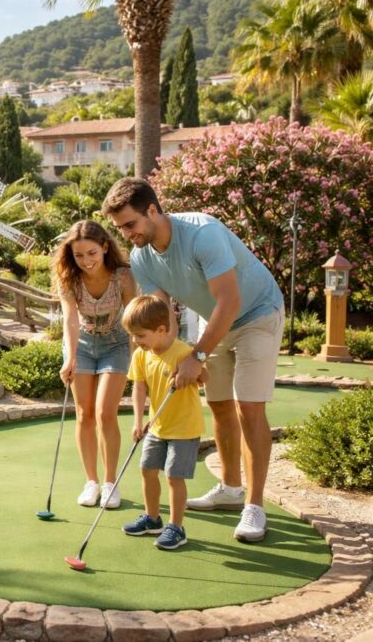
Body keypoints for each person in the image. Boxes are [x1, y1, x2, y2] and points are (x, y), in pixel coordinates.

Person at [103, 177, 285, 543]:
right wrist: (164, 356)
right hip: (213, 319)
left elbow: (230, 301)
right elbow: (160, 318)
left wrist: (197, 355)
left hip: (257, 314)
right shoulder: (141, 257)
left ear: (152, 210)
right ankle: (231, 488)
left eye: (130, 224)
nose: (126, 234)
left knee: (248, 408)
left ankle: (254, 506)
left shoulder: (203, 233)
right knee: (219, 405)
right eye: (120, 228)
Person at [52, 220, 137, 509]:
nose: (86, 261)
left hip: (116, 343)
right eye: (79, 255)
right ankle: (91, 482)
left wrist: (137, 357)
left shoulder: (123, 276)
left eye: (92, 253)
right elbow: (70, 320)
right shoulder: (69, 279)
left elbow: (132, 316)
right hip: (83, 345)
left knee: (105, 413)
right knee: (84, 414)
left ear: (104, 247)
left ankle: (111, 483)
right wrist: (71, 357)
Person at [120, 296, 206, 551]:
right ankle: (152, 518)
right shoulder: (141, 355)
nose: (135, 340)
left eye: (140, 335)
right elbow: (139, 388)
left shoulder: (182, 353)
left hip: (184, 428)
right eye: (132, 335)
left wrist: (193, 371)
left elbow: (205, 378)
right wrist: (138, 421)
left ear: (160, 329)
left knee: (173, 477)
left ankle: (176, 527)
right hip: (157, 426)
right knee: (147, 469)